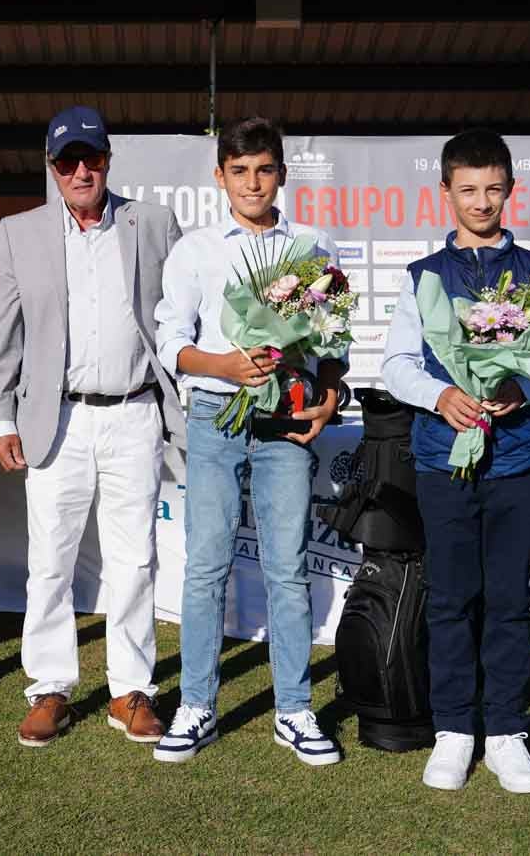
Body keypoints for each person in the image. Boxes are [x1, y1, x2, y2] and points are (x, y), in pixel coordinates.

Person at [381, 129, 530, 795]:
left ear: (511, 191)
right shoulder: (423, 278)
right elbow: (396, 365)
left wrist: (523, 386)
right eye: (467, 189)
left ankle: (505, 731)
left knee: (508, 599)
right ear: (445, 191)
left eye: (493, 188)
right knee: (449, 599)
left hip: (518, 458)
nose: (481, 201)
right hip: (444, 459)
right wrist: (442, 395)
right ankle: (454, 730)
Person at [0, 106, 184, 749]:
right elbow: (4, 335)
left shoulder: (153, 222)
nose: (79, 171)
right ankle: (49, 687)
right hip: (56, 418)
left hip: (135, 411)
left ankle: (130, 691)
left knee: (135, 560)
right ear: (51, 166)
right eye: (66, 161)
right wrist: (3, 415)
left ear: (107, 161)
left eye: (90, 158)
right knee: (50, 562)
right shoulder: (19, 233)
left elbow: (181, 320)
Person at [150, 116, 345, 767]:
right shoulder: (196, 249)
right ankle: (197, 705)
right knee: (205, 563)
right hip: (214, 411)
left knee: (288, 565)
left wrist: (331, 393)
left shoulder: (314, 244)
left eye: (264, 169)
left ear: (282, 173)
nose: (253, 182)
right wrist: (224, 365)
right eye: (240, 170)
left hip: (286, 416)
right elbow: (171, 341)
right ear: (220, 177)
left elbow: (331, 341)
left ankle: (293, 708)